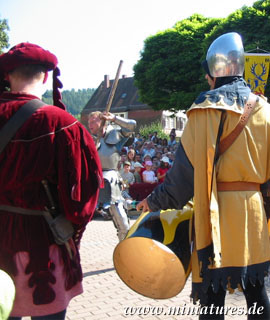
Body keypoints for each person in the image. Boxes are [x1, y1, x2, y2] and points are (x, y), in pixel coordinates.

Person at [137, 32, 270, 319]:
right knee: (257, 293)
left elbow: (182, 178)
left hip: (214, 215)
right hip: (253, 214)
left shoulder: (201, 111)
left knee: (212, 296)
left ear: (213, 72)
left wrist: (153, 201)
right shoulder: (265, 109)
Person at [0, 42, 102, 319]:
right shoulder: (62, 123)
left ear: (7, 76)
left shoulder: (62, 124)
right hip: (42, 250)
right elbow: (82, 196)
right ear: (45, 76)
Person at [88, 110, 136, 241]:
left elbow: (132, 125)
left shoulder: (114, 136)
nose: (90, 124)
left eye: (93, 121)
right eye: (88, 122)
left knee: (123, 225)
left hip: (111, 181)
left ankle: (124, 254)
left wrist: (114, 118)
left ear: (102, 121)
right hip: (91, 180)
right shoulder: (89, 139)